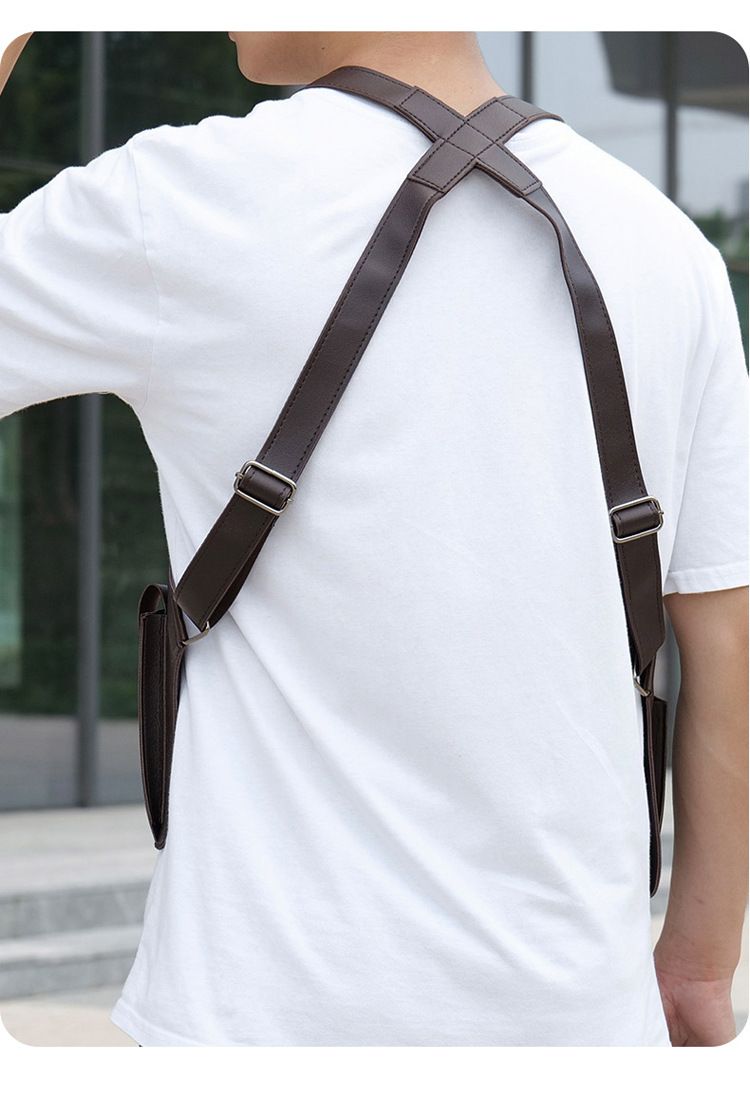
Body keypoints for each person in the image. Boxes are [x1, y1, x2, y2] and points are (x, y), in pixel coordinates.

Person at [0, 31, 747, 1048]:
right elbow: (725, 641)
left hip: (256, 1024)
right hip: (581, 1023)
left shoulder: (178, 199)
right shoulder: (671, 250)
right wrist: (699, 963)